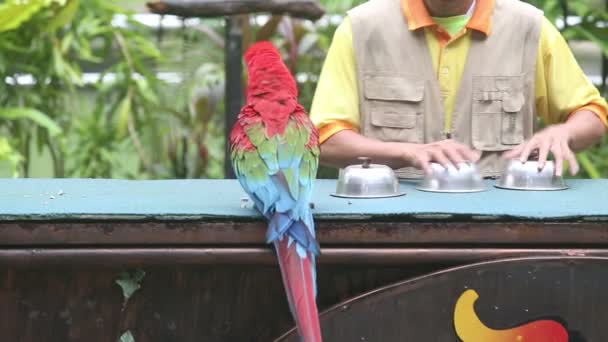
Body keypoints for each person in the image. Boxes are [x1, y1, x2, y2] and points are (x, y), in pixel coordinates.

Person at [310, 0, 608, 178]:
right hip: (389, 226)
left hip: (505, 228)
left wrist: (562, 133)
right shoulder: (362, 28)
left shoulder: (529, 27)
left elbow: (592, 114)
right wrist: (407, 153)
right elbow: (325, 140)